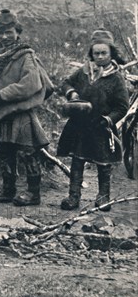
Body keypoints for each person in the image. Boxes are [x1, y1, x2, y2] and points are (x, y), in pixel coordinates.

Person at [0, 9, 50, 206]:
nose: (4, 36)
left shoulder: (25, 55)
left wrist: (2, 95)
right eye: (1, 32)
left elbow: (32, 83)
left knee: (27, 153)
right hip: (1, 115)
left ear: (17, 32)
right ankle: (8, 190)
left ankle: (33, 193)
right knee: (5, 152)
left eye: (9, 32)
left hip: (20, 114)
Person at [57, 29, 129, 211]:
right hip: (80, 125)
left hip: (101, 127)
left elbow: (122, 108)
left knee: (103, 163)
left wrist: (108, 120)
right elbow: (66, 83)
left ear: (111, 53)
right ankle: (73, 197)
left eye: (104, 53)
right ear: (91, 53)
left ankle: (103, 197)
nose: (100, 57)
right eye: (96, 53)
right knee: (77, 160)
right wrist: (71, 93)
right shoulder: (83, 72)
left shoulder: (116, 78)